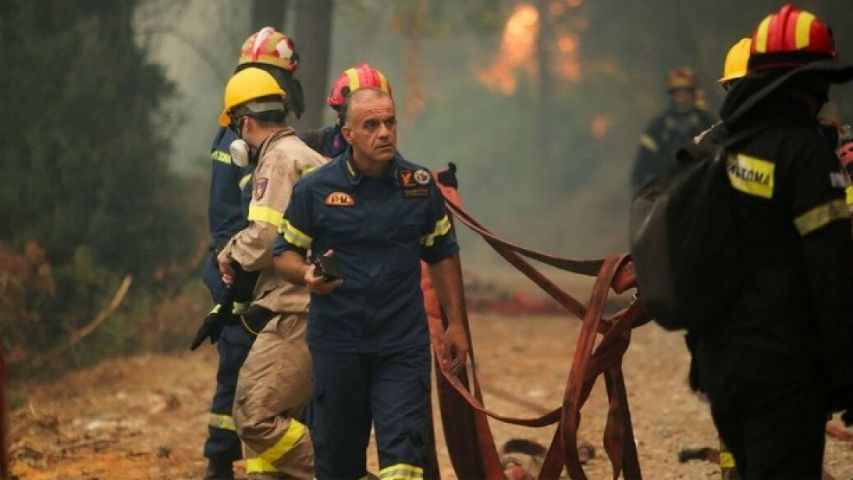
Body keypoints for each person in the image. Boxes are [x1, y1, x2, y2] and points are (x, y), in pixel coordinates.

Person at [275, 87, 470, 480]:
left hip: (401, 346)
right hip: (337, 346)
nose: (384, 132)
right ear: (348, 134)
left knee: (403, 463)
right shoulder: (316, 189)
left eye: (390, 122)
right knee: (338, 465)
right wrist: (308, 276)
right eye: (371, 125)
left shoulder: (418, 186)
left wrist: (456, 324)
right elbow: (284, 253)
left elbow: (442, 253)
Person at [692, 5, 853, 478]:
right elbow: (830, 268)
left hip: (725, 361)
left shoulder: (712, 152)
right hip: (786, 359)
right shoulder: (807, 153)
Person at [199, 27, 304, 480]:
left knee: (258, 377)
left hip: (248, 265)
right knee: (243, 369)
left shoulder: (273, 148)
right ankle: (222, 460)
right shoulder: (244, 145)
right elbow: (243, 218)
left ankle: (256, 466)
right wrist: (234, 268)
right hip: (242, 269)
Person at [215, 67, 326, 480]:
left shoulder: (278, 160)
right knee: (276, 421)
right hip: (310, 306)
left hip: (297, 310)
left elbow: (263, 237)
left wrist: (229, 255)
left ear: (244, 123)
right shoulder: (303, 155)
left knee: (254, 414)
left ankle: (343, 471)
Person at [631, 66, 717, 192]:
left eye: (685, 92)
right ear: (672, 94)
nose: (682, 96)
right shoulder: (658, 126)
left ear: (692, 93)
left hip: (700, 189)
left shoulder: (706, 122)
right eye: (678, 92)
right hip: (665, 189)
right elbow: (642, 163)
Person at [300, 63, 392, 159]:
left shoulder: (396, 166)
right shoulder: (311, 144)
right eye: (370, 124)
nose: (383, 133)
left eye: (388, 122)